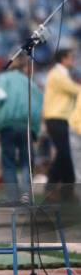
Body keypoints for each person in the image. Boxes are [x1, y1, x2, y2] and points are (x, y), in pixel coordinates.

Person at [0, 58, 43, 204]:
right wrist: (36, 129)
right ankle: (26, 198)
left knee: (9, 163)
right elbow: (39, 105)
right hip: (27, 126)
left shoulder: (3, 79)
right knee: (27, 163)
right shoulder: (30, 82)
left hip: (8, 125)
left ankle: (13, 198)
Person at [43, 49, 80, 186]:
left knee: (63, 153)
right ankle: (55, 185)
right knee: (65, 152)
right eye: (71, 57)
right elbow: (74, 89)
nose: (73, 60)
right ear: (63, 59)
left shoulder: (62, 74)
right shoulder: (57, 74)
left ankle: (62, 186)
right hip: (57, 117)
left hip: (61, 118)